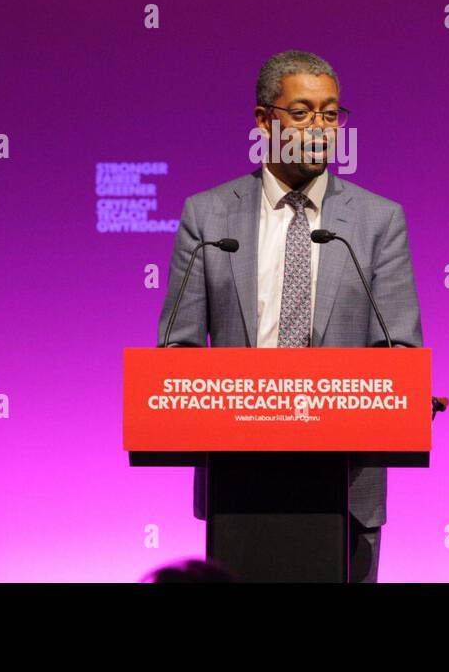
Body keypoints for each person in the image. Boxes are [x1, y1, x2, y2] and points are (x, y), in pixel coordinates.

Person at [156, 50, 424, 582]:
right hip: (240, 478)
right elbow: (177, 350)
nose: (320, 127)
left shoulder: (377, 221)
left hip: (344, 481)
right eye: (302, 113)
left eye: (331, 114)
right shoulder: (208, 216)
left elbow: (400, 354)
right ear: (263, 122)